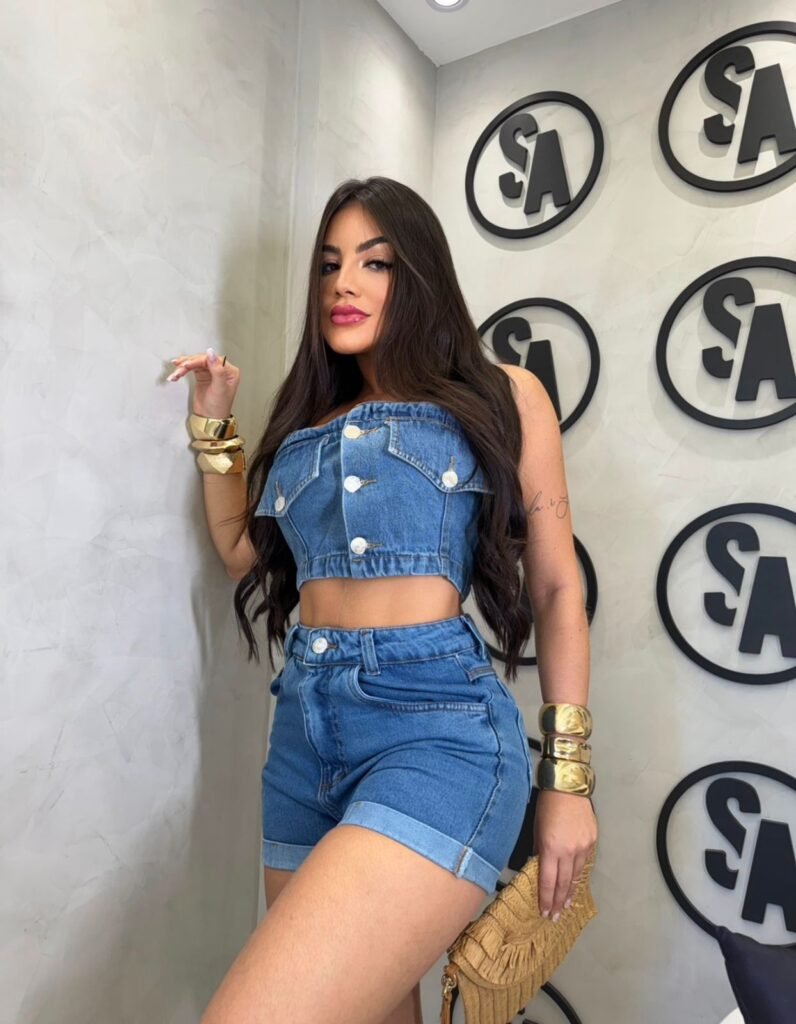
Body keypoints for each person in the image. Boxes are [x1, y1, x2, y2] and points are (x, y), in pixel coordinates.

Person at [167, 176, 598, 1024]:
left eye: (375, 262)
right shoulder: (307, 422)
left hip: (438, 732)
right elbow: (240, 551)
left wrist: (569, 779)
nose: (344, 283)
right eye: (329, 264)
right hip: (303, 739)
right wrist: (215, 425)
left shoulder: (505, 393)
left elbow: (555, 586)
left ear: (419, 275)